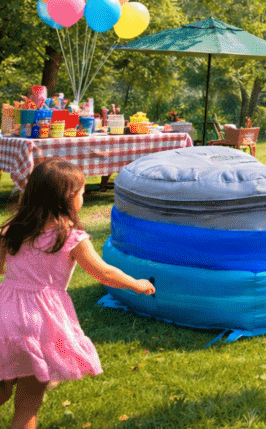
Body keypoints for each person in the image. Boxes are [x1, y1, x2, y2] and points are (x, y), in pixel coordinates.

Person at [0, 159, 155, 429]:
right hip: (41, 323)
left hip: (5, 317)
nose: (82, 198)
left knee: (2, 387)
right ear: (67, 198)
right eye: (81, 193)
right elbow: (104, 273)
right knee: (27, 407)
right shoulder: (71, 237)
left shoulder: (12, 230)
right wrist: (136, 283)